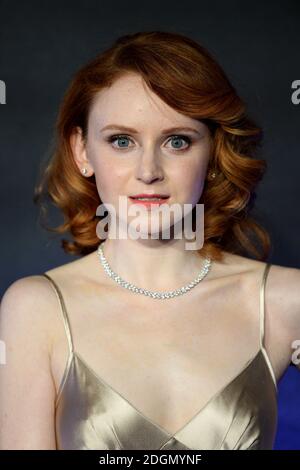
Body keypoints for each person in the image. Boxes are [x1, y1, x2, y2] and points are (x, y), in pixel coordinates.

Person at [0, 31, 299, 451]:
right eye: (122, 141)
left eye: (177, 141)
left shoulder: (287, 301)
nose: (148, 171)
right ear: (82, 151)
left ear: (212, 153)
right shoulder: (36, 309)